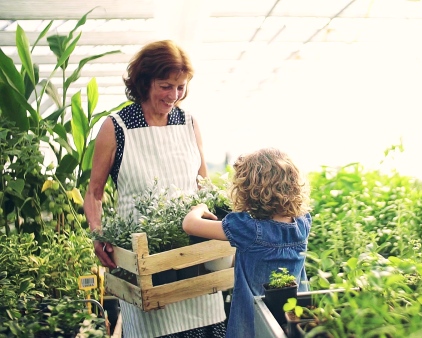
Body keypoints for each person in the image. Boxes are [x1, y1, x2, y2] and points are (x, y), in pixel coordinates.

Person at [83, 40, 227, 338]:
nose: (174, 95)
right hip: (146, 260)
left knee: (204, 322)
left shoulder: (188, 123)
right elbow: (94, 192)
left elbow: (203, 185)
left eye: (180, 86)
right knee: (153, 327)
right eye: (166, 85)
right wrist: (98, 234)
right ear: (144, 81)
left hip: (194, 254)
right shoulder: (117, 127)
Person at [182, 147, 312, 338]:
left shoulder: (246, 227)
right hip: (291, 320)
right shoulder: (303, 222)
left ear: (250, 189)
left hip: (252, 325)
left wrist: (200, 208)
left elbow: (190, 224)